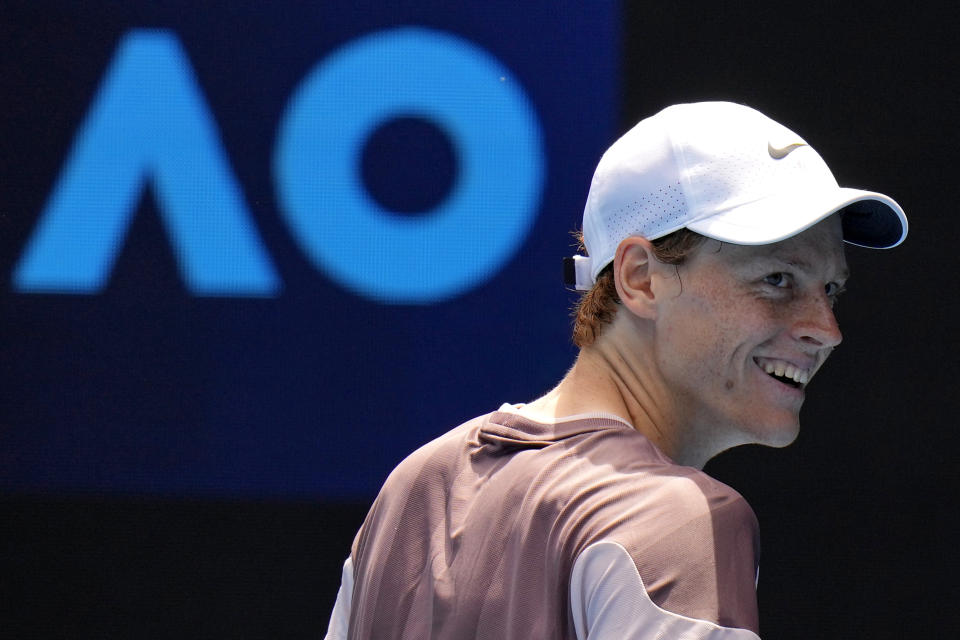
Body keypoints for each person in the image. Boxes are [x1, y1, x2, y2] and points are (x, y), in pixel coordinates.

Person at [324, 101, 908, 639]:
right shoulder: (681, 522)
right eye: (777, 279)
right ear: (639, 278)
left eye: (830, 289)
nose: (826, 329)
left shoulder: (413, 487)